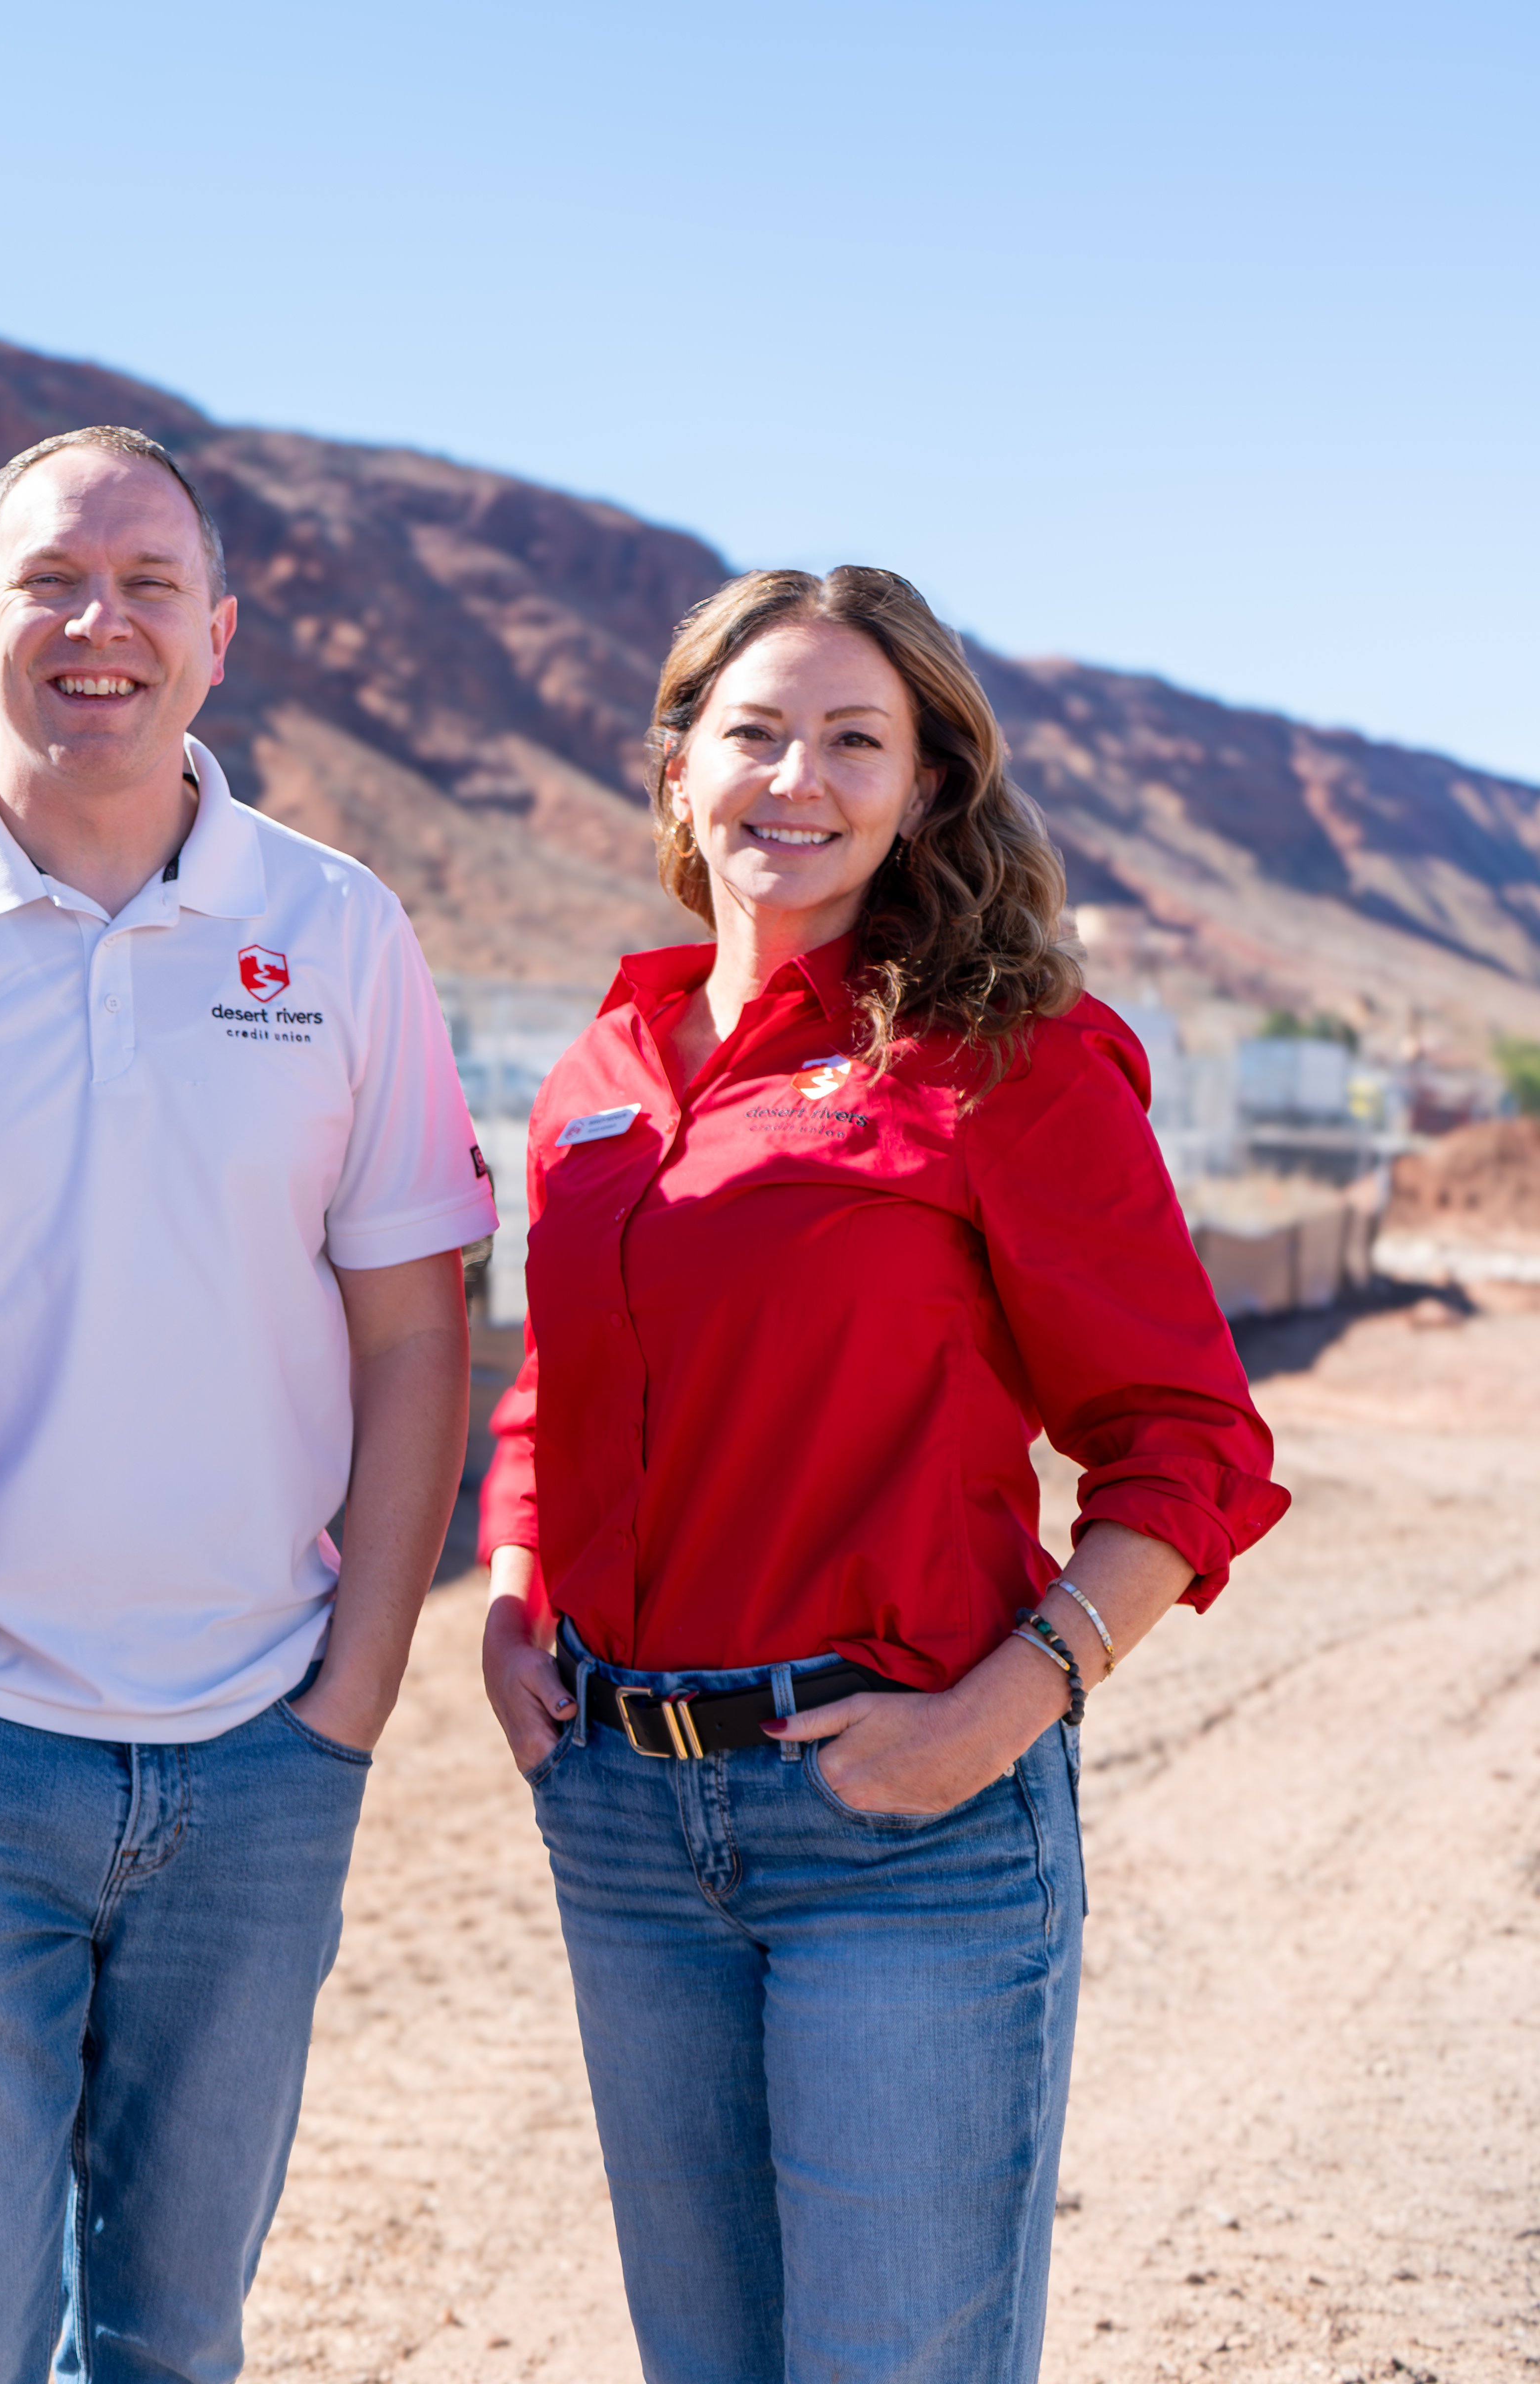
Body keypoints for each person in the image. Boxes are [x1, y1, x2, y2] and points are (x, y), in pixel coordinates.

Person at [0, 425, 496, 2382]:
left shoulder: (337, 934)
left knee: (175, 2335)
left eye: (151, 586)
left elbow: (420, 1331)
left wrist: (350, 1701)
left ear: (219, 636)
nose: (103, 625)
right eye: (56, 584)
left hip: (259, 1755)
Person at [475, 565, 1292, 2382]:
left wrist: (1013, 1703)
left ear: (925, 788)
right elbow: (557, 1379)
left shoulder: (1007, 1062)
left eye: (858, 740)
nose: (799, 778)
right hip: (622, 1818)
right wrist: (516, 1590)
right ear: (679, 767)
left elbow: (1192, 1448)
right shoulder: (602, 1073)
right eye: (754, 731)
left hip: (901, 1826)